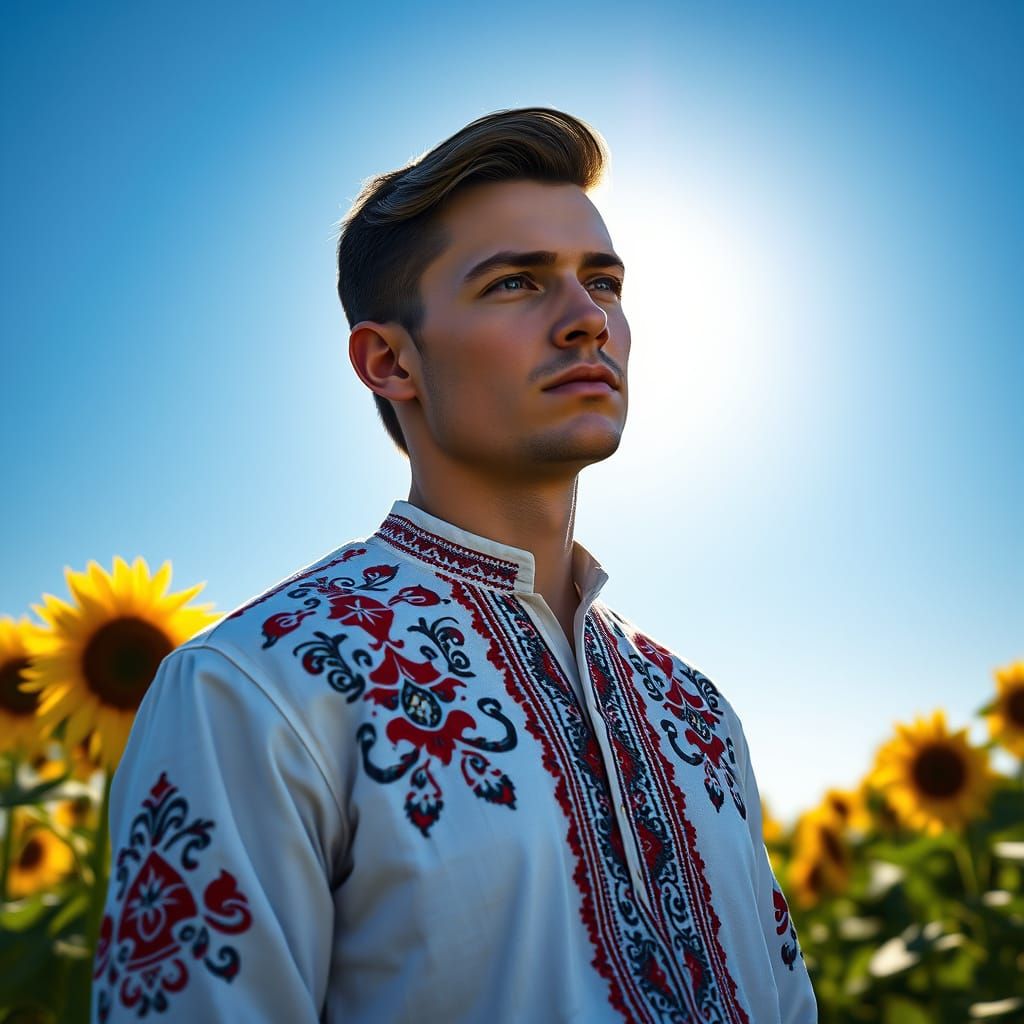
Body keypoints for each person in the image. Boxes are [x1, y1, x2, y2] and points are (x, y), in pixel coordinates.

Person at [92, 107, 817, 1023]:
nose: (588, 320)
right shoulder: (251, 695)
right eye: (517, 282)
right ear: (388, 360)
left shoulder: (696, 713)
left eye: (605, 282)